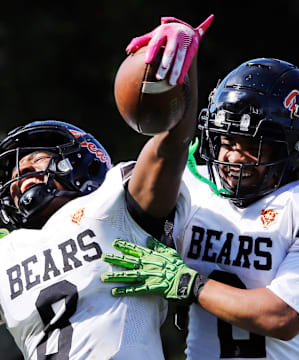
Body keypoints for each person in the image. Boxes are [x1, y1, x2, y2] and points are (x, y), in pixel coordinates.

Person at [101, 32, 299, 360]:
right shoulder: (192, 188)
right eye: (227, 141)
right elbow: (106, 211)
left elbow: (281, 317)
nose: (235, 158)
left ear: (295, 146)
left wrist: (189, 285)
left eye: (254, 147)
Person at [0, 15, 214, 359]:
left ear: (82, 162)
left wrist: (182, 74)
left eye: (35, 160)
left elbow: (170, 147)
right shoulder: (7, 251)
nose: (21, 173)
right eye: (14, 171)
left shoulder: (112, 204)